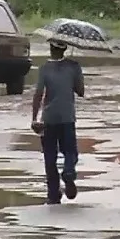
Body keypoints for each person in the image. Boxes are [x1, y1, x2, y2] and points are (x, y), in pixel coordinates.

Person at [31, 40, 85, 204]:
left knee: (49, 157)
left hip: (48, 118)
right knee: (70, 151)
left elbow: (38, 94)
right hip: (67, 117)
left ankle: (53, 194)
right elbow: (81, 91)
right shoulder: (74, 66)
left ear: (50, 49)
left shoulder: (44, 69)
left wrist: (34, 118)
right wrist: (74, 75)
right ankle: (68, 172)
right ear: (65, 49)